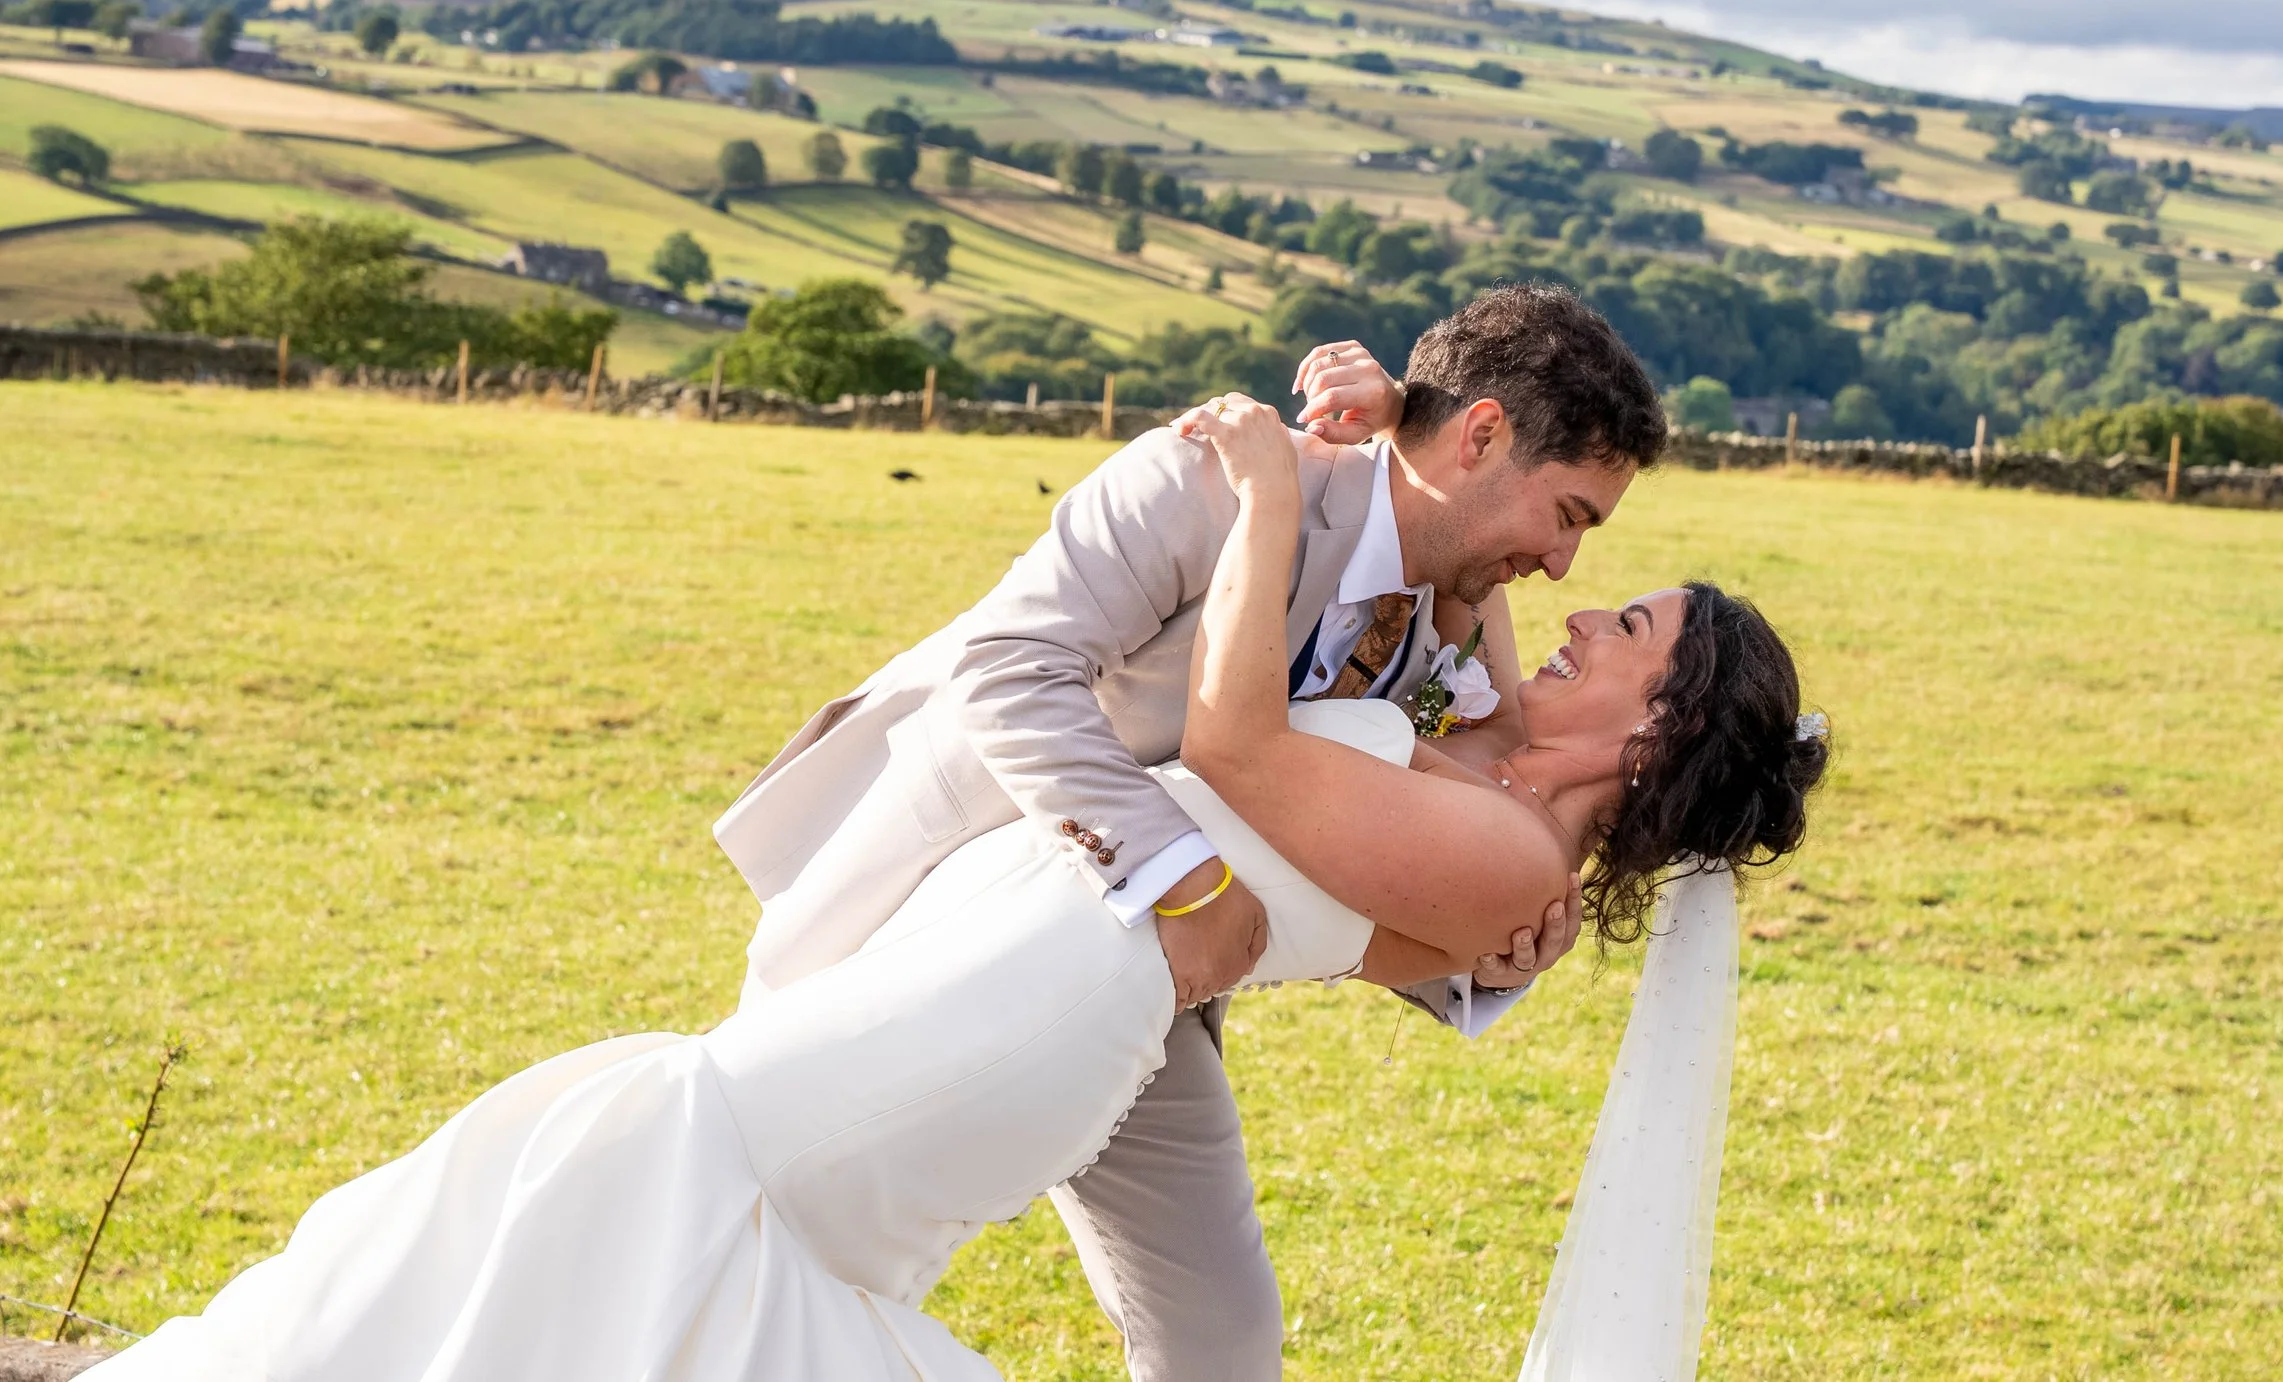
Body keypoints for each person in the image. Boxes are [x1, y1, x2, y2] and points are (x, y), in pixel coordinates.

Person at [90, 386, 1824, 1382]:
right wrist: (1396, 460)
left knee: (702, 1181)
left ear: (1659, 719)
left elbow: (1232, 744)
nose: (1583, 597)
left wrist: (1274, 489)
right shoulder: (1495, 768)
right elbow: (1465, 618)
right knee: (710, 1185)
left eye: (1632, 616)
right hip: (1038, 923)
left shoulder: (1507, 857)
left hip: (1061, 983)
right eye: (1586, 540)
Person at [714, 286, 1670, 1380]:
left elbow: (1366, 829)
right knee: (781, 1228)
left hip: (1144, 991)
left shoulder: (1443, 612)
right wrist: (1186, 884)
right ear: (1484, 433)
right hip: (924, 908)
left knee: (1217, 1337)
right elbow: (1008, 670)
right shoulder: (1208, 481)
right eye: (1568, 515)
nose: (1562, 568)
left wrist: (1478, 946)